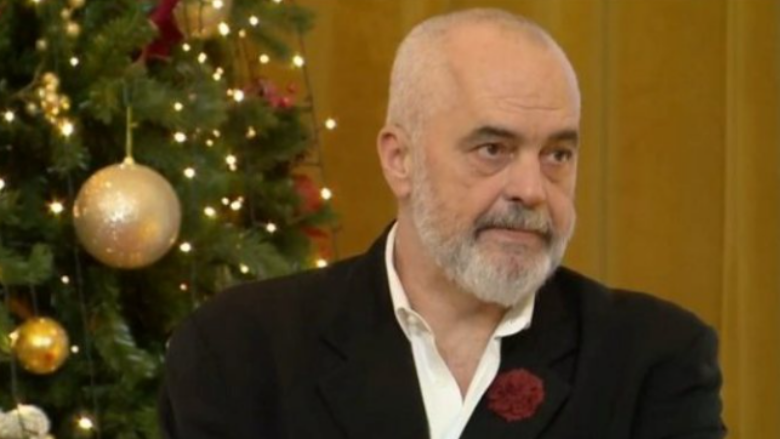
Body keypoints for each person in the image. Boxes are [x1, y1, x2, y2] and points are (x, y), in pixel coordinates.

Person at [158, 8, 726, 439]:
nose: (531, 190)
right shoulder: (240, 350)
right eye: (493, 149)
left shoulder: (652, 358)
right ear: (399, 160)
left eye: (557, 155)